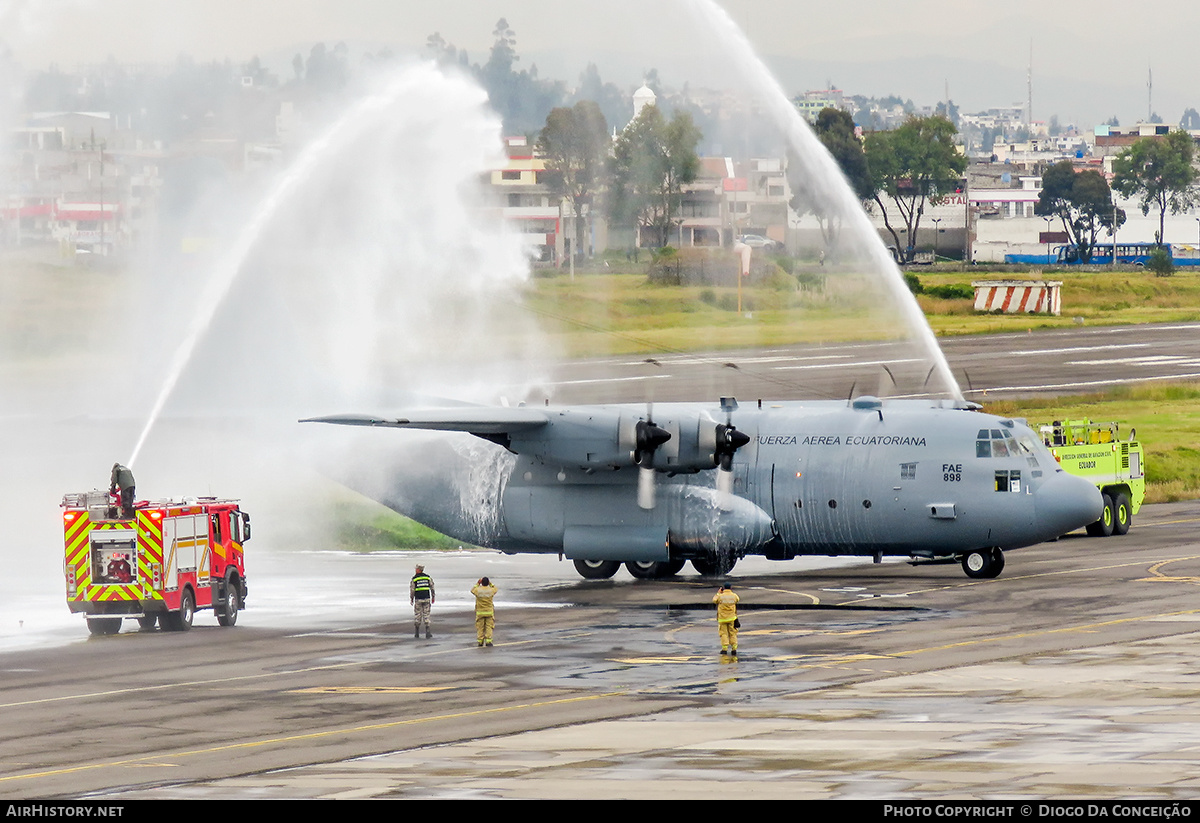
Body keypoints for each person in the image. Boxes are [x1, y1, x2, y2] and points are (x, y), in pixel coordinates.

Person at [713, 584, 740, 657]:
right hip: (732, 618)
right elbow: (737, 600)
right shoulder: (734, 595)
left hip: (722, 618)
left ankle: (724, 649)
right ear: (731, 588)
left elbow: (714, 600)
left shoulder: (720, 596)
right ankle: (734, 648)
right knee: (732, 633)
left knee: (723, 633)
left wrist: (718, 593)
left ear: (723, 588)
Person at [410, 564, 435, 639]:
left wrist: (411, 598)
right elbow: (432, 587)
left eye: (416, 569)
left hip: (418, 599)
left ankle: (417, 633)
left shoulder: (414, 579)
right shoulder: (427, 577)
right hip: (427, 598)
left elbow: (412, 590)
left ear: (418, 570)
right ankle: (428, 632)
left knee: (418, 615)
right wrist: (433, 596)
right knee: (426, 615)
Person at [471, 577, 498, 647]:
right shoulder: (491, 590)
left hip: (480, 612)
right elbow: (496, 588)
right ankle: (488, 641)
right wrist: (490, 584)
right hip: (489, 611)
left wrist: (477, 583)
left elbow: (472, 590)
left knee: (480, 627)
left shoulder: (478, 590)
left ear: (481, 583)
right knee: (489, 626)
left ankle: (480, 641)